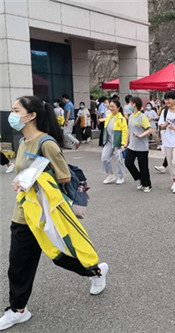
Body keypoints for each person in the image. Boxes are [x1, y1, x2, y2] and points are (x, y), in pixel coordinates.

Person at [0, 96, 108, 331]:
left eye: (17, 110)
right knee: (18, 264)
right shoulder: (21, 142)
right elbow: (22, 172)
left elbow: (64, 177)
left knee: (61, 256)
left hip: (45, 214)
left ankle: (97, 270)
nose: (13, 114)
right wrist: (21, 181)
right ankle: (18, 310)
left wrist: (32, 179)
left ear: (31, 115)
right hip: (23, 213)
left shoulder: (46, 143)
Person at [124, 97, 153, 193]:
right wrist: (126, 142)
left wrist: (141, 135)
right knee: (128, 162)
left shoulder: (142, 117)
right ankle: (139, 178)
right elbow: (129, 129)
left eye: (130, 103)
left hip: (142, 146)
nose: (129, 105)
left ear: (134, 104)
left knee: (143, 166)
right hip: (132, 145)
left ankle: (147, 184)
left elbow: (149, 129)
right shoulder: (131, 116)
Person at [100, 100, 128, 184]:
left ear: (118, 108)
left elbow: (124, 131)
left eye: (113, 107)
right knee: (104, 158)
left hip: (117, 142)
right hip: (108, 141)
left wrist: (123, 143)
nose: (111, 108)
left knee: (119, 160)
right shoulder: (109, 117)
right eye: (110, 106)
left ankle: (121, 177)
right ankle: (111, 175)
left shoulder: (121, 119)